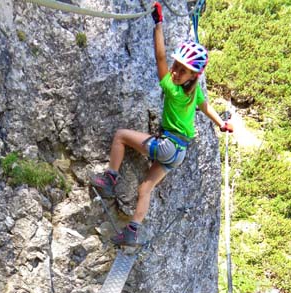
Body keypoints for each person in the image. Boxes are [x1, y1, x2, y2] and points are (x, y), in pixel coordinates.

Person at [90, 1, 233, 246]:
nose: (175, 72)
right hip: (178, 154)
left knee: (121, 136)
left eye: (181, 69)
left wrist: (158, 24)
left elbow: (159, 57)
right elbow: (206, 106)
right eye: (176, 67)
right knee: (145, 188)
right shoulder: (193, 91)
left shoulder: (172, 89)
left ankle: (109, 179)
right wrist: (222, 124)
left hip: (168, 146)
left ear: (193, 75)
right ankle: (133, 231)